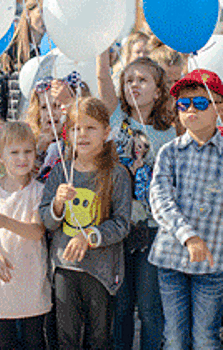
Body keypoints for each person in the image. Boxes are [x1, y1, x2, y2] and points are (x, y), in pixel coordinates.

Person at [97, 52, 176, 349]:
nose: (134, 85)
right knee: (121, 307)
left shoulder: (168, 133)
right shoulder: (116, 117)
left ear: (158, 91)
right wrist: (101, 46)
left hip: (153, 231)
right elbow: (103, 75)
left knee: (149, 307)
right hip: (117, 227)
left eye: (142, 80)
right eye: (129, 80)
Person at [39, 97, 131, 349]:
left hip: (99, 271)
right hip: (64, 268)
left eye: (90, 127)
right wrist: (57, 204)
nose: (82, 134)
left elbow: (122, 224)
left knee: (99, 337)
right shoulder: (60, 172)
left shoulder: (117, 174)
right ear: (67, 134)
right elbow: (46, 220)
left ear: (106, 132)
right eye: (76, 128)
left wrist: (88, 236)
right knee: (66, 337)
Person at [149, 69, 223, 349]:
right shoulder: (169, 152)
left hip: (214, 263)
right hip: (172, 260)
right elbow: (160, 200)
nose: (191, 108)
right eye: (184, 103)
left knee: (206, 337)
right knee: (175, 337)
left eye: (201, 103)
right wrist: (189, 237)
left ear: (219, 108)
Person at [0, 121, 51, 350]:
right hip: (2, 283)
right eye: (14, 152)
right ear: (0, 155)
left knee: (34, 340)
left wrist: (5, 222)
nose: (22, 158)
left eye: (27, 151)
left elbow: (37, 231)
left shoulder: (39, 191)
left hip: (31, 279)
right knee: (4, 341)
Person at [0, 0, 45, 120]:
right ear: (28, 13)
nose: (45, 20)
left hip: (41, 123)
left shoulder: (51, 51)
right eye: (41, 13)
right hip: (16, 123)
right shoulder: (11, 52)